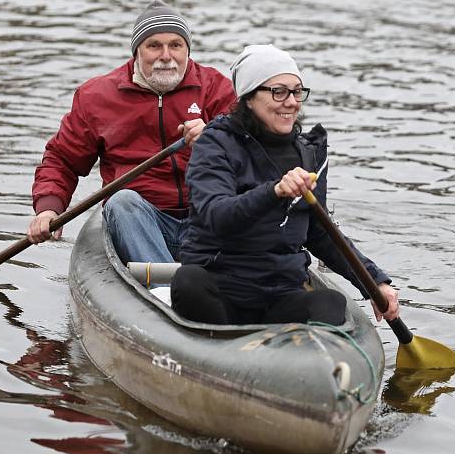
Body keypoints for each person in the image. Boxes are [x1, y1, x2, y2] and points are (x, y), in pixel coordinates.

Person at [171, 44, 400, 326]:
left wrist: (374, 281)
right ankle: (218, 345)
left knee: (331, 302)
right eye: (278, 92)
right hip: (220, 287)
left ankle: (304, 359)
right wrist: (274, 191)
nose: (291, 101)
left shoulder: (309, 153)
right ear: (249, 97)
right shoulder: (215, 144)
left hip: (279, 293)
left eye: (297, 91)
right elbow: (216, 216)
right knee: (188, 281)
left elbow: (321, 232)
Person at [28, 0, 237, 265]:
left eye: (176, 45)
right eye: (154, 46)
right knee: (122, 201)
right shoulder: (96, 97)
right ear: (136, 51)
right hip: (141, 218)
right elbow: (62, 160)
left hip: (206, 216)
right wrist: (48, 208)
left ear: (187, 50)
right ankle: (164, 291)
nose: (166, 56)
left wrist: (212, 140)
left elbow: (249, 152)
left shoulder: (216, 88)